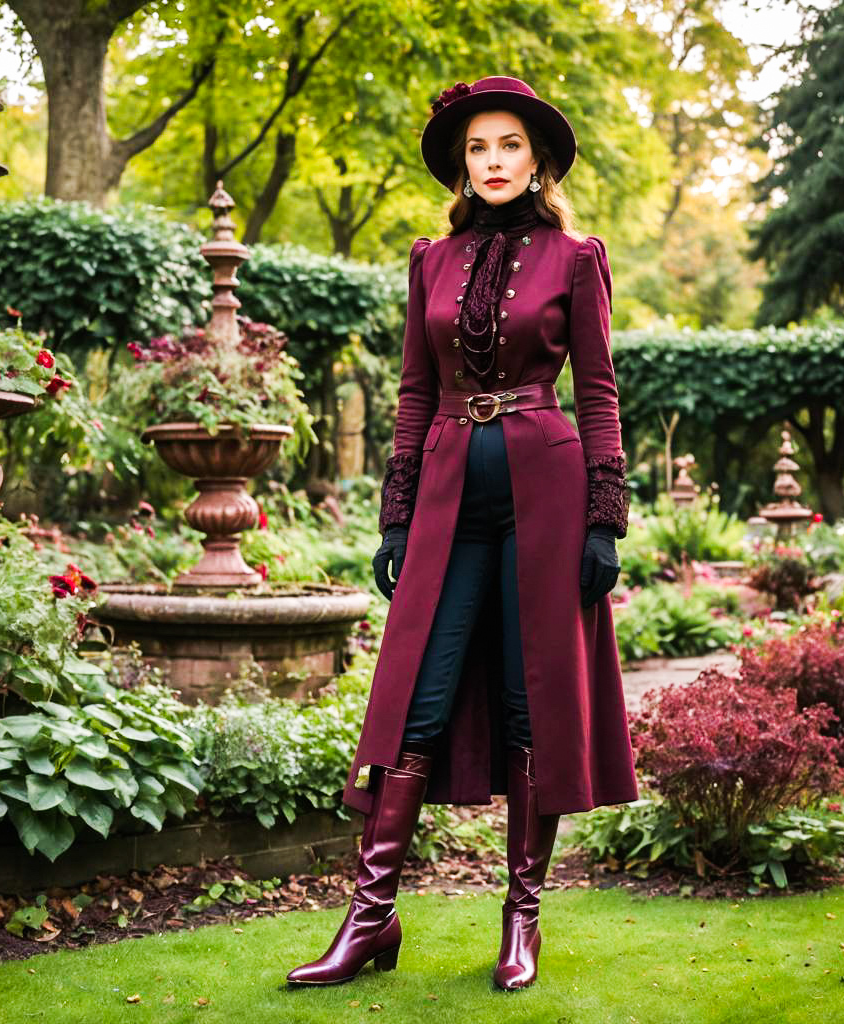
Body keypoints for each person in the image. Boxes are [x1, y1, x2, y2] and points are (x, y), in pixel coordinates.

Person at [286, 75, 638, 993]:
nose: (493, 161)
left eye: (509, 145)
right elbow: (411, 391)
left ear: (539, 160)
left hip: (548, 496)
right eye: (478, 147)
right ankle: (370, 920)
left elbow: (597, 392)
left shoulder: (575, 257)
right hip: (446, 493)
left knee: (531, 704)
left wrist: (605, 519)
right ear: (461, 162)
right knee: (417, 700)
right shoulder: (429, 262)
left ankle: (521, 922)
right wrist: (395, 511)